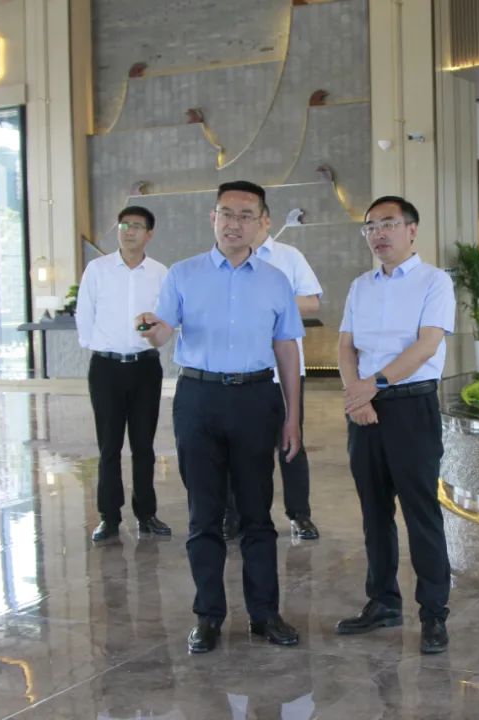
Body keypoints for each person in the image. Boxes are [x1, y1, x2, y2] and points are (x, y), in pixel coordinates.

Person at [136, 181, 304, 654]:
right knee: (204, 513)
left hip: (256, 398)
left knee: (257, 513)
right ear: (213, 218)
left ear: (263, 223)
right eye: (226, 213)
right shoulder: (183, 274)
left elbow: (287, 348)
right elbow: (162, 332)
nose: (235, 223)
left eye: (246, 215)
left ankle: (264, 614)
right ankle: (208, 616)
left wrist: (293, 417)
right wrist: (151, 329)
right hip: (199, 398)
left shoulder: (276, 280)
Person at [336, 195, 456, 654]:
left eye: (387, 224)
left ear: (411, 229)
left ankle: (434, 614)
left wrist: (373, 385)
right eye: (370, 226)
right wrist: (356, 396)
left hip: (411, 407)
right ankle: (383, 601)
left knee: (421, 512)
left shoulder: (434, 281)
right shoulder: (360, 286)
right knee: (374, 511)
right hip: (364, 409)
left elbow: (427, 345)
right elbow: (345, 346)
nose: (378, 234)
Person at [223, 206, 324, 542]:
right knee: (238, 447)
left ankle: (300, 514)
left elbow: (312, 302)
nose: (242, 224)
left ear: (265, 220)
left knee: (290, 443)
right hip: (239, 371)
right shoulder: (225, 259)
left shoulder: (288, 256)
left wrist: (270, 300)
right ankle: (233, 514)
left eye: (250, 217)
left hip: (284, 371)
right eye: (236, 217)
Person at [76, 206, 171, 543]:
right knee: (109, 446)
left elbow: (167, 317)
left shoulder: (160, 273)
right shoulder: (98, 269)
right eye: (123, 225)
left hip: (146, 366)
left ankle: (146, 514)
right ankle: (109, 516)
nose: (129, 231)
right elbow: (84, 314)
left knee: (144, 445)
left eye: (136, 226)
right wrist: (100, 345)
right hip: (106, 368)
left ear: (150, 234)